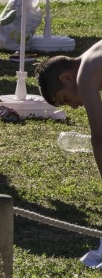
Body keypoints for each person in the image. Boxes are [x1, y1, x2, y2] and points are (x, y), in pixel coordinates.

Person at [36, 41, 102, 178]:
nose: (73, 106)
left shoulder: (84, 77)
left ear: (67, 78)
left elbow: (99, 139)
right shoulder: (92, 58)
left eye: (66, 99)